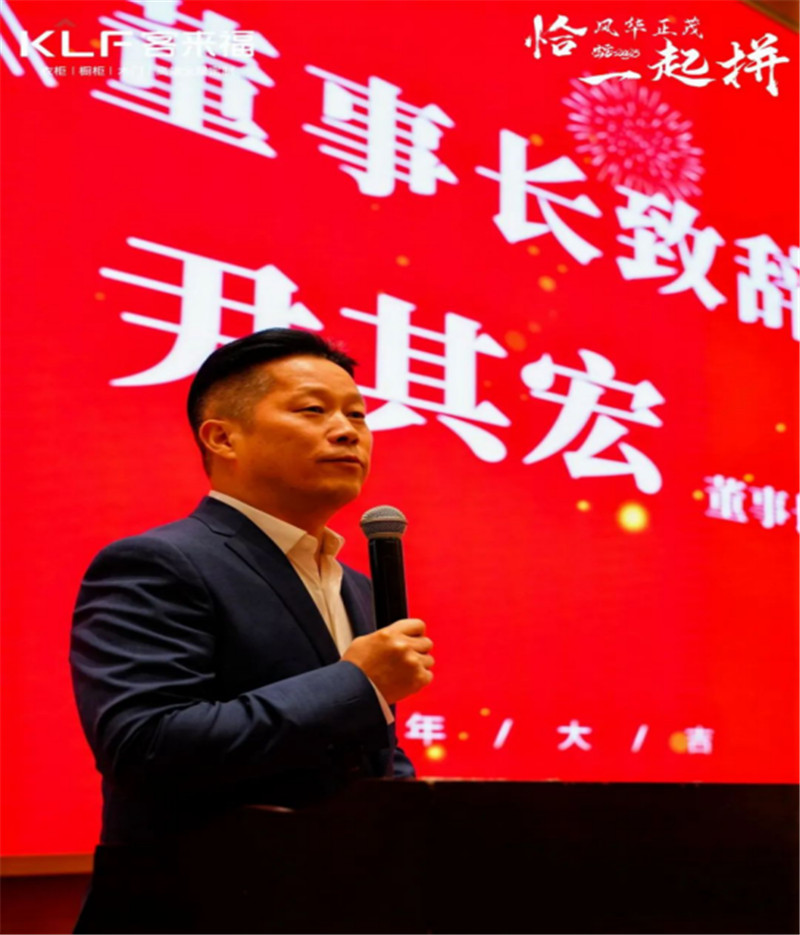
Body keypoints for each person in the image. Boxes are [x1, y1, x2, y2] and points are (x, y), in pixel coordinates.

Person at [69, 328, 434, 931]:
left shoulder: (355, 585)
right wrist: (357, 683)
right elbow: (145, 744)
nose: (348, 431)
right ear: (222, 437)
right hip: (194, 910)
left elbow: (361, 750)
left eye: (357, 415)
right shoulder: (158, 563)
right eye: (313, 410)